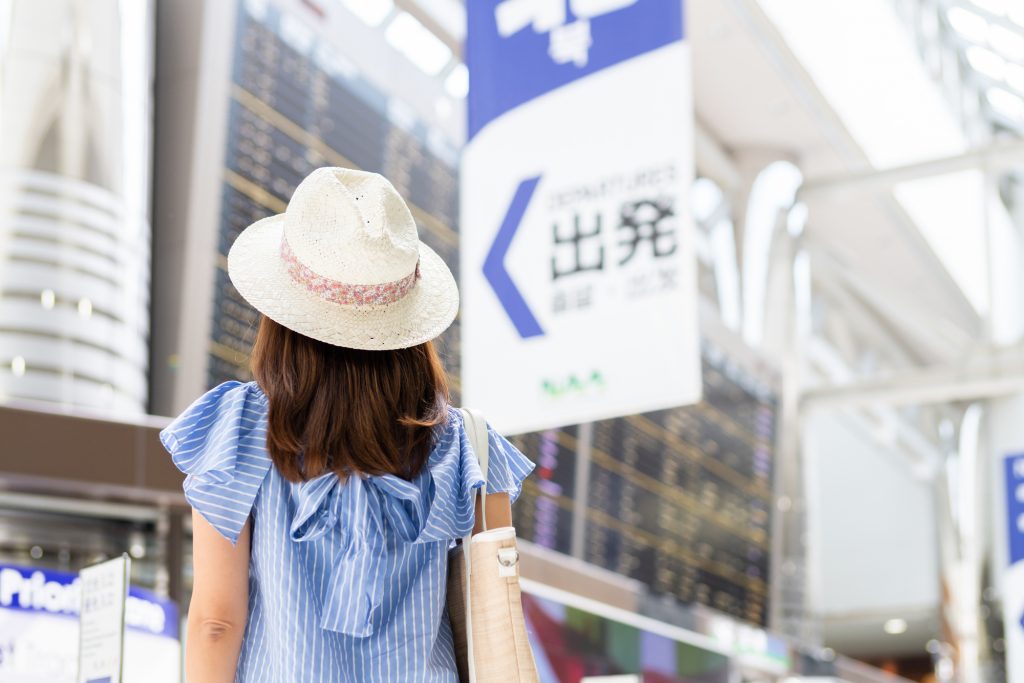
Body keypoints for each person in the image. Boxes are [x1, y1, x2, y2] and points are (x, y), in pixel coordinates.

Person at [160, 168, 535, 682]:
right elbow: (496, 612)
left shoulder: (240, 430)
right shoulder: (468, 449)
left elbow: (216, 623)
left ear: (283, 318)